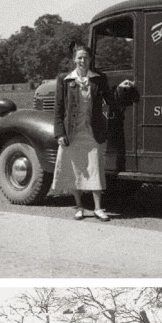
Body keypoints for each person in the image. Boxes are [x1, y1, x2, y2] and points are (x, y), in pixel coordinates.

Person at [51, 43, 135, 221]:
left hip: (92, 132)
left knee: (95, 169)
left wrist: (120, 89)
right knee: (73, 170)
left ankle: (98, 208)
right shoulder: (64, 79)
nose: (83, 60)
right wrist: (59, 134)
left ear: (90, 60)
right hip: (71, 133)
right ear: (74, 59)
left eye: (86, 57)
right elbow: (59, 109)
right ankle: (79, 206)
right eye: (79, 57)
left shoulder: (98, 79)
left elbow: (110, 101)